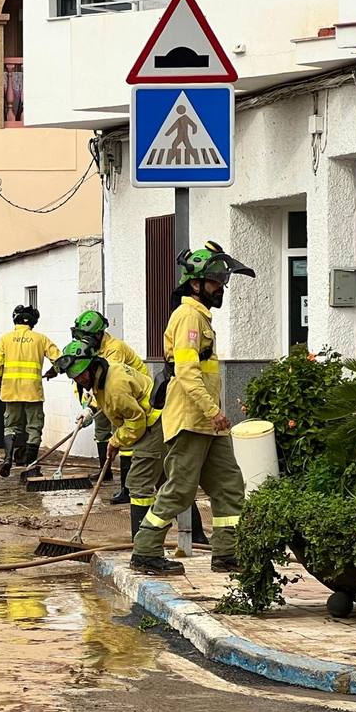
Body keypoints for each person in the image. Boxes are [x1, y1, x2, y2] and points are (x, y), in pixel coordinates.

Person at [131, 241, 255, 575]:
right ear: (196, 283)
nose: (221, 288)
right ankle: (145, 551)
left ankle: (227, 552)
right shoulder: (187, 317)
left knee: (229, 484)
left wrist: (213, 414)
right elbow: (187, 372)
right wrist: (212, 411)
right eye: (215, 281)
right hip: (191, 420)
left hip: (207, 422)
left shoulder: (200, 317)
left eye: (221, 281)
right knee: (180, 490)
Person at [56, 340, 209, 546]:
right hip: (157, 421)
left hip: (153, 425)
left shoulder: (114, 387)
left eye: (82, 373)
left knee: (138, 484)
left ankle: (142, 545)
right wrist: (92, 413)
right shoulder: (105, 374)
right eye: (75, 376)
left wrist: (116, 441)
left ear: (93, 365)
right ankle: (196, 536)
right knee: (170, 484)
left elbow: (136, 423)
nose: (80, 379)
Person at [70, 309, 148, 502]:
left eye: (87, 337)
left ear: (98, 334)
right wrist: (84, 404)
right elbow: (83, 380)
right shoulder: (90, 350)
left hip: (130, 393)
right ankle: (105, 472)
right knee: (102, 432)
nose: (84, 341)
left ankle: (126, 488)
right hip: (106, 395)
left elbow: (109, 383)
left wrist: (92, 408)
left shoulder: (115, 349)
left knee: (124, 437)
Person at [0, 305, 60, 479]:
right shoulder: (40, 339)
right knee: (34, 427)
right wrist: (54, 370)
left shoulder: (5, 339)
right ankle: (30, 466)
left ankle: (7, 458)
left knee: (11, 426)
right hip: (32, 391)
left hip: (10, 390)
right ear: (33, 322)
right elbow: (59, 358)